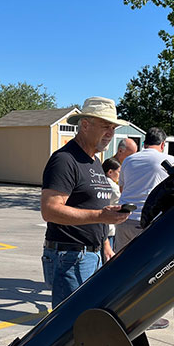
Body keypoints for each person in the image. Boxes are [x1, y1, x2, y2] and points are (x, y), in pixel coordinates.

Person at [41, 96, 130, 308]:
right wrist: (101, 216)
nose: (110, 133)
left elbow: (95, 206)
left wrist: (105, 245)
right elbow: (50, 210)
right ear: (85, 125)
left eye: (113, 128)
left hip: (92, 254)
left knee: (86, 322)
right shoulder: (65, 160)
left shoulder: (95, 161)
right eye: (105, 126)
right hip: (70, 258)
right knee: (70, 327)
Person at [115, 127, 174, 251]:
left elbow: (122, 188)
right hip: (149, 220)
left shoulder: (128, 160)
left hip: (125, 219)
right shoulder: (170, 161)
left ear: (144, 143)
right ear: (163, 144)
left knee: (121, 263)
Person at [102, 157, 121, 254]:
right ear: (110, 172)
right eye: (118, 172)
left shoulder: (100, 182)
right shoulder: (114, 188)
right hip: (109, 227)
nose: (120, 175)